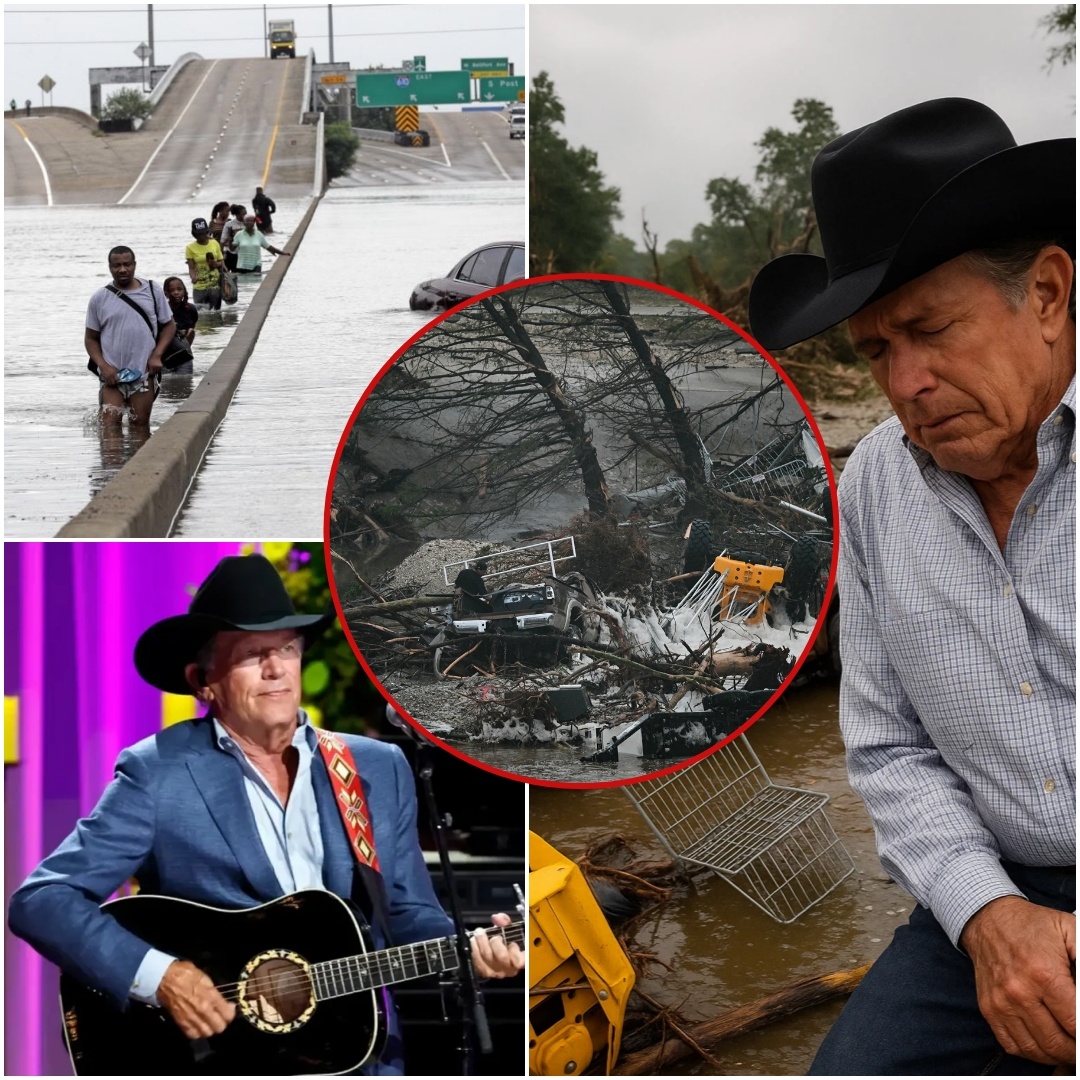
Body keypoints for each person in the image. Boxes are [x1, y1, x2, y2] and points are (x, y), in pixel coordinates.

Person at [748, 97, 1074, 1075]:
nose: (904, 384)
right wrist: (988, 917)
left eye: (930, 330)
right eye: (877, 351)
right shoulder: (876, 486)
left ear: (1050, 294)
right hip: (987, 882)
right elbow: (889, 748)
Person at [7, 554, 522, 1074]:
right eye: (254, 654)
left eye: (287, 649)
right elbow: (42, 900)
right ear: (203, 680)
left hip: (352, 1051)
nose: (277, 669)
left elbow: (410, 913)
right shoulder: (158, 772)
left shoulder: (376, 767)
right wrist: (160, 976)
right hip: (219, 1059)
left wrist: (473, 950)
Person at [85, 245, 174, 432]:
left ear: (135, 265)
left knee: (140, 427)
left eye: (127, 264)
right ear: (109, 267)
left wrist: (157, 355)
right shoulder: (99, 298)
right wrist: (103, 366)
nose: (122, 269)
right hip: (112, 377)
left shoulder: (152, 290)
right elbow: (91, 339)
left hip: (143, 374)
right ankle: (113, 462)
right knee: (108, 428)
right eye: (117, 265)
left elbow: (169, 325)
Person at [185, 217, 222, 310]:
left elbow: (221, 262)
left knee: (215, 313)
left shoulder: (214, 243)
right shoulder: (190, 248)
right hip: (199, 286)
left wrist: (217, 264)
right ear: (194, 234)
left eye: (203, 233)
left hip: (215, 286)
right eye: (198, 234)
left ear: (207, 231)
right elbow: (191, 268)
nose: (202, 236)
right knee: (200, 315)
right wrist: (193, 277)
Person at [220, 204, 246, 272]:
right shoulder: (229, 224)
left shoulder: (248, 224)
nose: (245, 215)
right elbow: (222, 240)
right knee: (231, 275)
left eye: (246, 213)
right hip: (232, 255)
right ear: (237, 214)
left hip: (245, 255)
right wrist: (221, 255)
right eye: (243, 214)